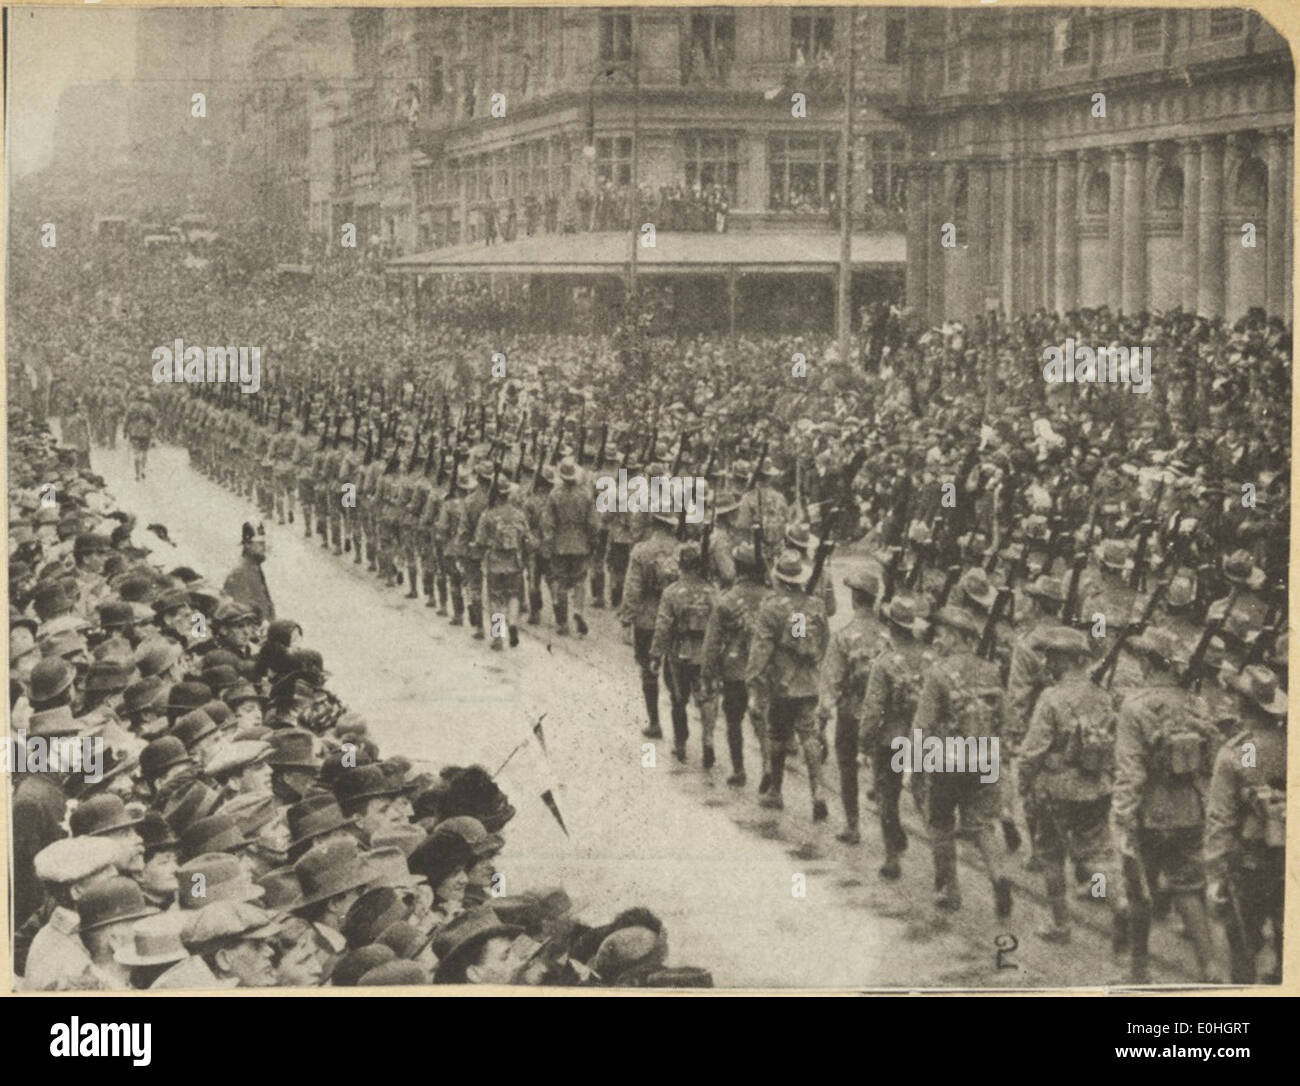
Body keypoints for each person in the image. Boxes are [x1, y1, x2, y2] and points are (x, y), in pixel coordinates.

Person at [1111, 627, 1223, 983]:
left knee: (1139, 889)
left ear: (1147, 662)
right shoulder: (1197, 704)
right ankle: (1211, 967)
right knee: (1189, 887)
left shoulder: (1134, 706)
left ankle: (1139, 972)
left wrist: (1121, 819)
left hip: (1148, 812)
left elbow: (1131, 771)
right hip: (1190, 809)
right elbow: (1211, 761)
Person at [1017, 627, 1121, 945]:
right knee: (1094, 855)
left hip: (1057, 790)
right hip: (1096, 787)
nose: (1048, 663)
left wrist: (1023, 782)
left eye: (1053, 657)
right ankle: (1120, 905)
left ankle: (1060, 926)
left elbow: (1033, 749)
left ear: (1067, 661)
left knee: (1051, 856)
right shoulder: (1103, 697)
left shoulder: (1052, 698)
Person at [912, 605, 1013, 918]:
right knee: (983, 825)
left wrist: (912, 766)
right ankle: (999, 876)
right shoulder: (992, 671)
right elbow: (1004, 720)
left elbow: (922, 725)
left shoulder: (938, 673)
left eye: (943, 632)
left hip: (947, 761)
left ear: (955, 636)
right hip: (984, 758)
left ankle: (948, 889)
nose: (938, 638)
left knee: (940, 824)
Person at [1204, 665, 1287, 984]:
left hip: (1250, 859)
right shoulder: (1286, 743)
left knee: (1242, 936)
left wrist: (1214, 871)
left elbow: (1220, 818)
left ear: (1242, 704)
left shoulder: (1237, 751)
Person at [744, 549, 830, 820]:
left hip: (781, 683)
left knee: (777, 735)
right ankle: (818, 791)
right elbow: (824, 641)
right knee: (809, 734)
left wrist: (753, 681)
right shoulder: (815, 605)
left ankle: (776, 792)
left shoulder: (772, 607)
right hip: (808, 681)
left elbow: (761, 649)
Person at [817, 565, 887, 843]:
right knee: (883, 773)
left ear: (855, 598)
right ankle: (887, 827)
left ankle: (852, 823)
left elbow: (831, 676)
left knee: (847, 769)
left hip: (847, 708)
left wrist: (823, 713)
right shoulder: (887, 635)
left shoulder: (843, 635)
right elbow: (829, 607)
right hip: (879, 714)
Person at [700, 542, 768, 788]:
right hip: (764, 670)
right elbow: (794, 634)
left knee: (733, 720)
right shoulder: (771, 599)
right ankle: (768, 766)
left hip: (734, 668)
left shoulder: (725, 601)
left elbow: (711, 642)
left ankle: (739, 769)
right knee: (764, 722)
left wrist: (707, 672)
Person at [649, 541, 719, 765]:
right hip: (705, 652)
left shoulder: (671, 593)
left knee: (678, 700)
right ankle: (708, 739)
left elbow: (662, 626)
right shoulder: (712, 592)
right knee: (707, 698)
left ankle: (680, 743)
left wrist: (655, 655)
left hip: (679, 652)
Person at [542, 458, 600, 636]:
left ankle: (562, 622)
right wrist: (592, 540)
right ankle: (578, 611)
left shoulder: (554, 494)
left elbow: (548, 523)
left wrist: (549, 542)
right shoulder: (586, 494)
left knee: (560, 582)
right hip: (580, 543)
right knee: (579, 581)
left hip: (560, 543)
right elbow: (593, 523)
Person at [472, 478, 532, 650]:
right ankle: (512, 624)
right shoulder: (518, 514)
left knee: (495, 599)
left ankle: (498, 636)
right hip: (514, 561)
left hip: (495, 562)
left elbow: (480, 540)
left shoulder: (488, 515)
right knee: (513, 596)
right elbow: (527, 536)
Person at [222, 522, 274, 623]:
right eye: (259, 543)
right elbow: (243, 612)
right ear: (247, 544)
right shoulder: (241, 572)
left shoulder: (253, 567)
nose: (264, 547)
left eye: (264, 543)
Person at [123, 395, 159, 482]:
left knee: (136, 452)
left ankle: (137, 473)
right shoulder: (148, 407)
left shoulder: (131, 406)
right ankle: (143, 469)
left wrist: (125, 430)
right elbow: (153, 420)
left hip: (134, 431)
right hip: (145, 432)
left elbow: (127, 419)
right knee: (144, 452)